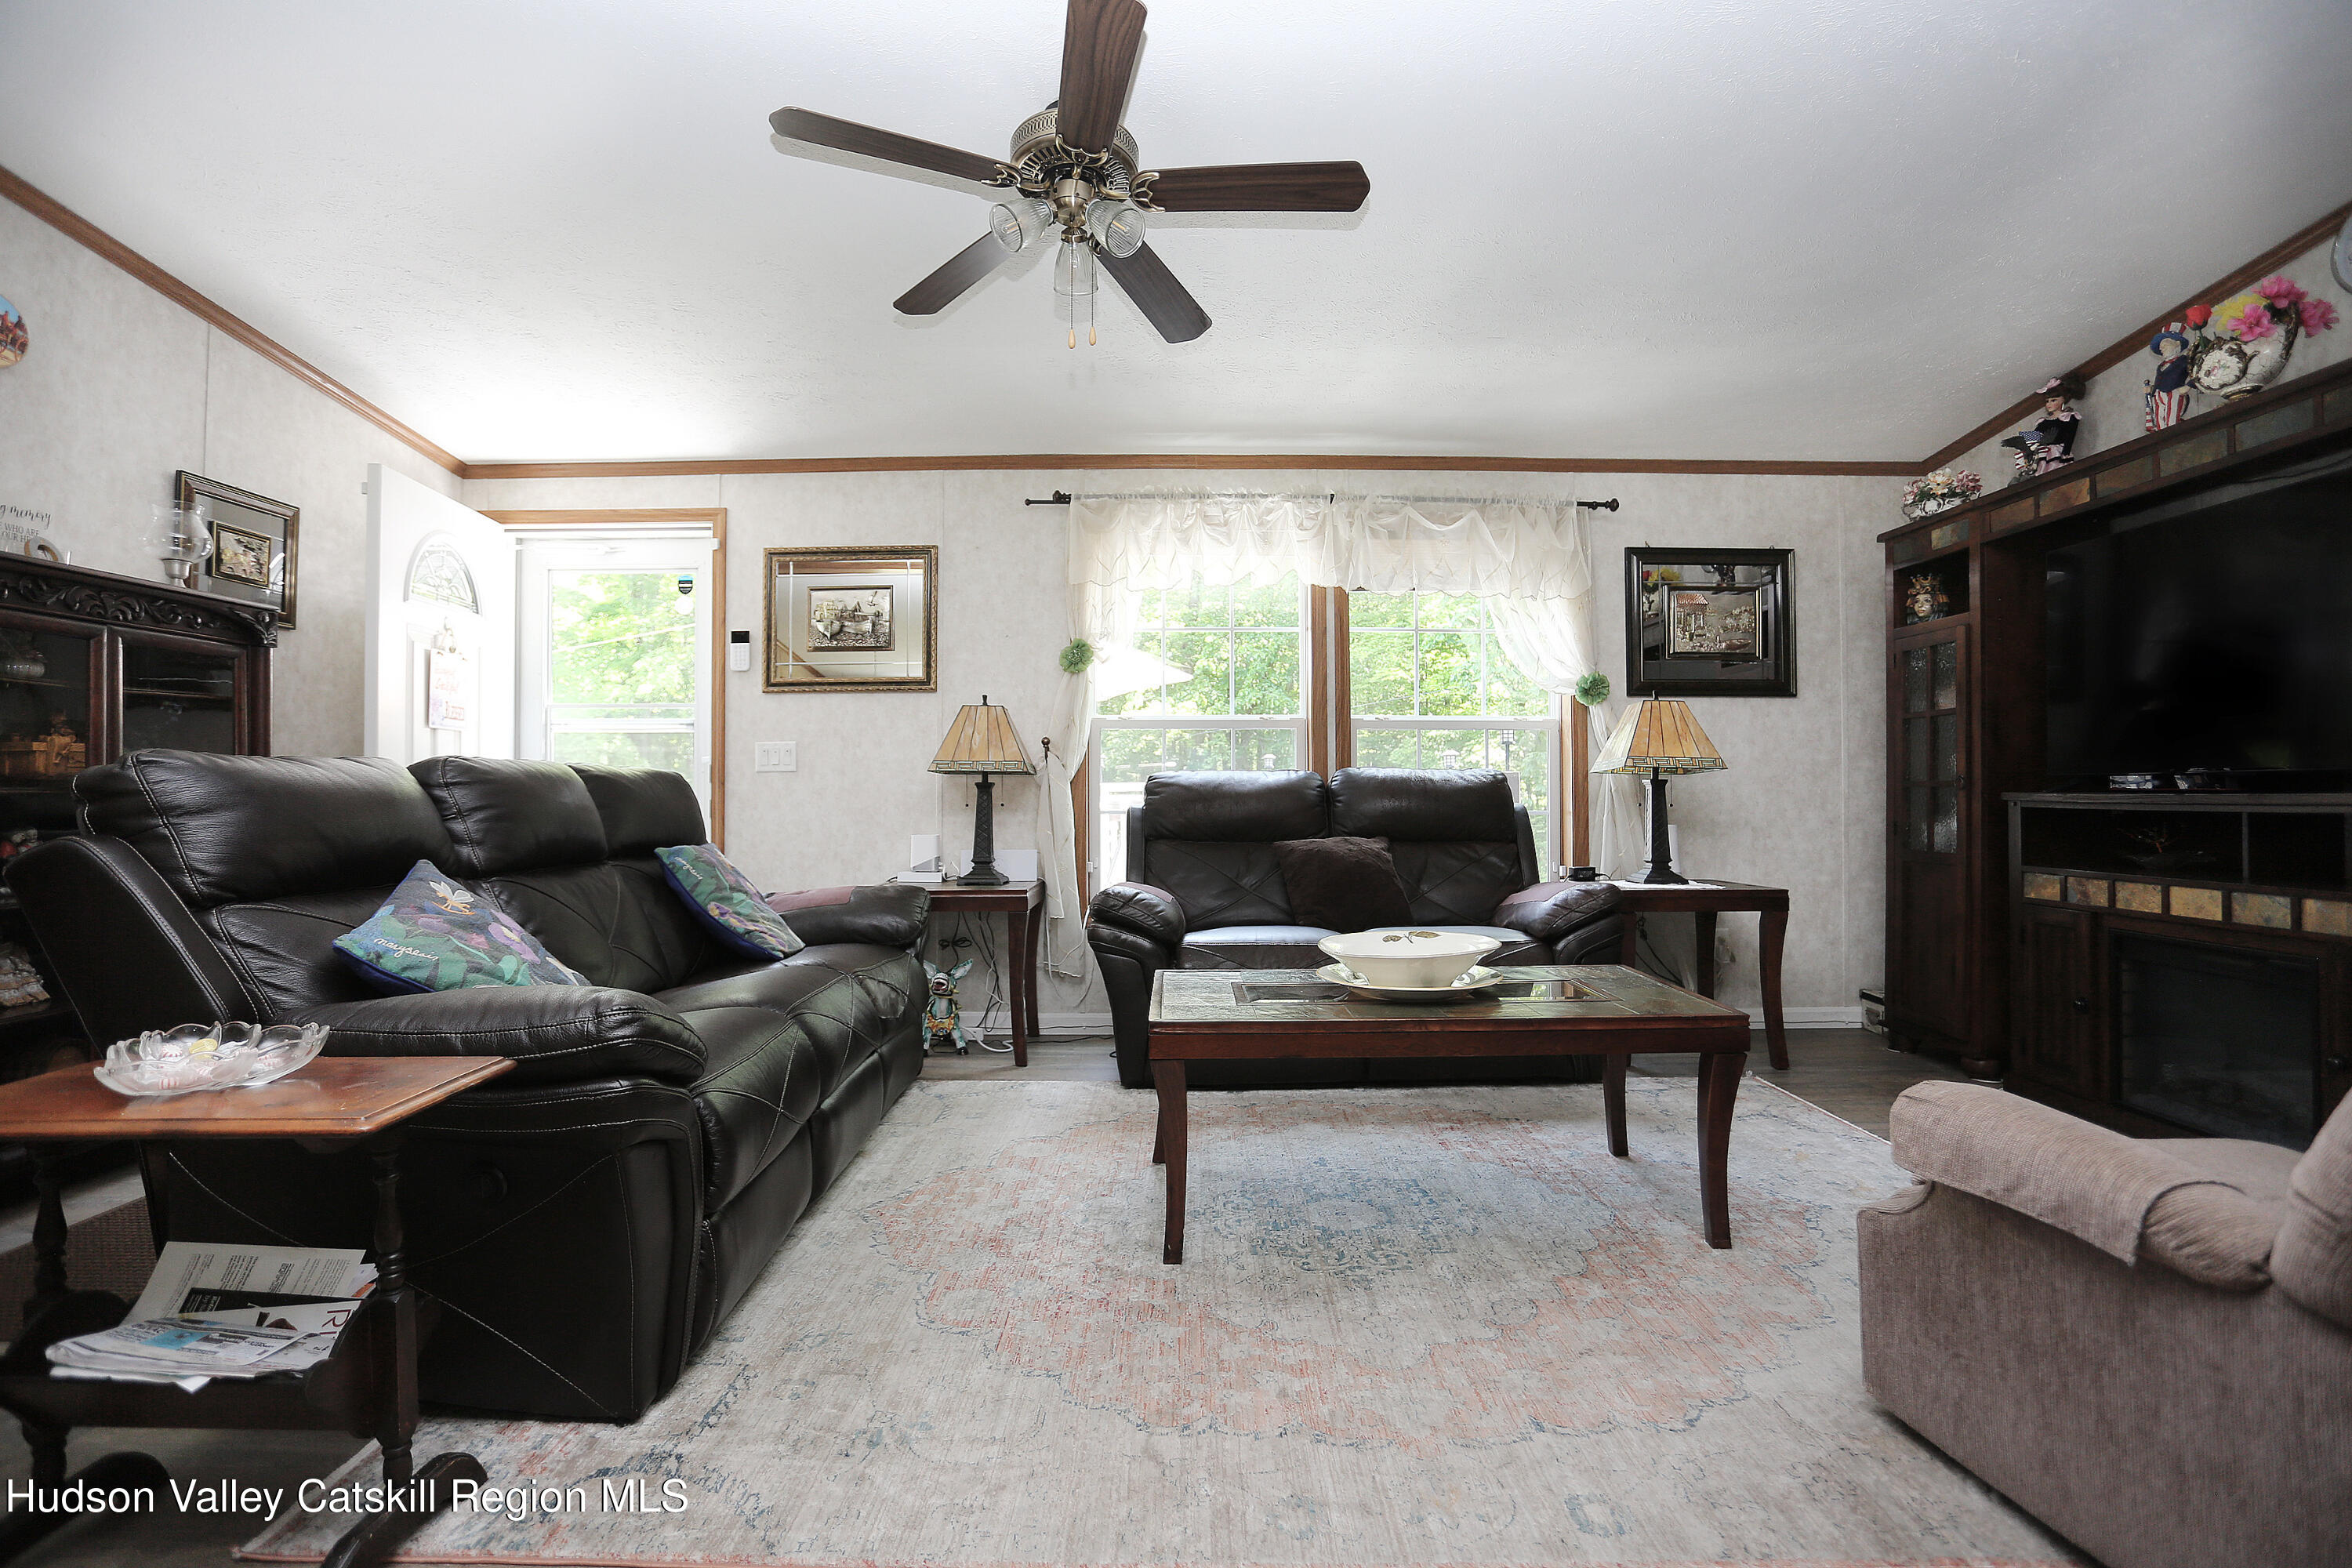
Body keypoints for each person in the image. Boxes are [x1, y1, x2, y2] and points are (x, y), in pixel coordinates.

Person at [2000, 373, 2086, 483]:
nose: (2049, 404)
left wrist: (2066, 452)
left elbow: (2070, 436)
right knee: (2042, 475)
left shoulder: (2069, 417)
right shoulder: (2043, 422)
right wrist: (2019, 439)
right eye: (2047, 401)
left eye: (2053, 400)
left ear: (2063, 400)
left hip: (2057, 452)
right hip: (2044, 453)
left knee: (2058, 473)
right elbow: (2036, 438)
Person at [2143, 324, 2194, 431]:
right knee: (2159, 421)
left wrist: (2188, 386)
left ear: (2177, 343)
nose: (2161, 348)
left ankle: (2171, 434)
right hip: (2158, 395)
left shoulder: (2184, 360)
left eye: (2165, 344)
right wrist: (2152, 389)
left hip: (2174, 393)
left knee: (2171, 421)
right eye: (2160, 346)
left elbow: (2198, 374)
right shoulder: (2160, 366)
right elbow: (2160, 381)